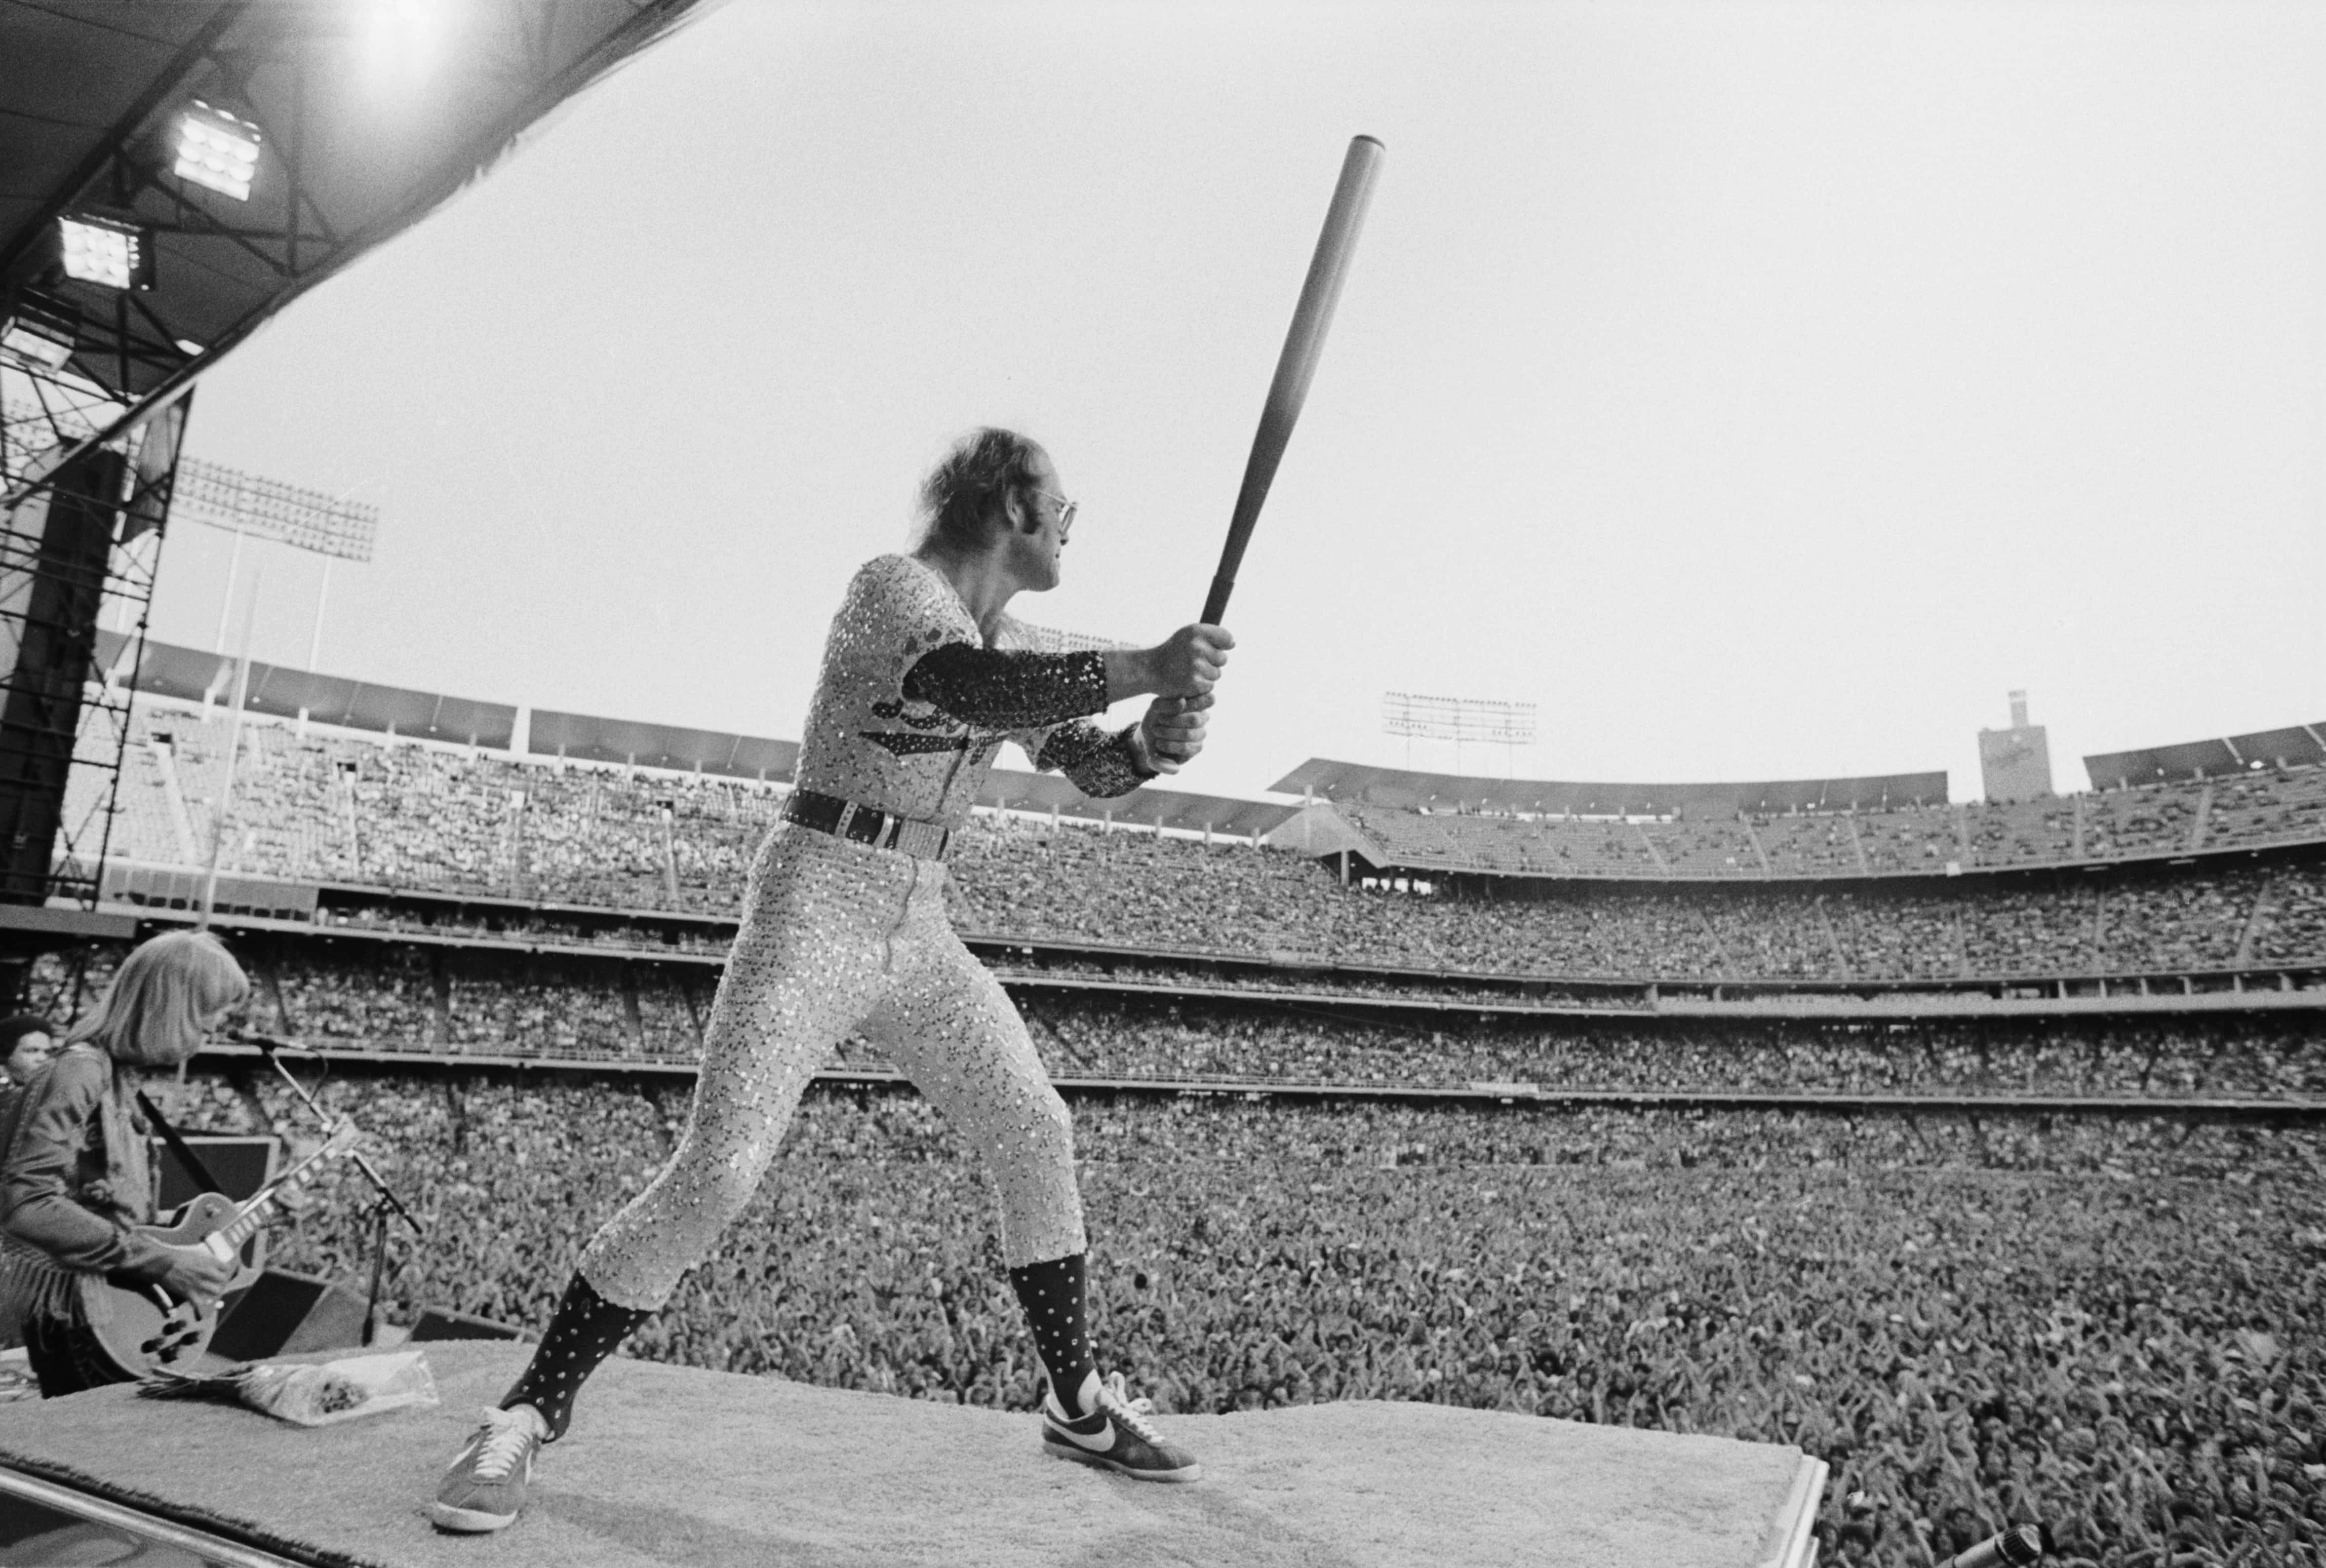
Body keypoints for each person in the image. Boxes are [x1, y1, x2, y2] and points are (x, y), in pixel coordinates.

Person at [434, 428, 1231, 1531]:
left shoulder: (1021, 636)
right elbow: (970, 688)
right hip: (819, 894)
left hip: (921, 914)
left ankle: (1076, 1400)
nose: (1072, 527)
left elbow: (1089, 769)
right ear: (1009, 505)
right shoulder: (893, 590)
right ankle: (523, 1411)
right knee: (719, 1169)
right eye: (1063, 506)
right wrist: (1147, 665)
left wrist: (1150, 745)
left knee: (1036, 1127)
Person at [0, 933, 247, 1394]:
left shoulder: (117, 1078)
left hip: (97, 1305)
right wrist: (164, 1263)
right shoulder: (80, 1071)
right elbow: (27, 1204)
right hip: (73, 1312)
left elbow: (109, 1209)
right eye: (208, 1012)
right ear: (171, 1006)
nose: (213, 1029)